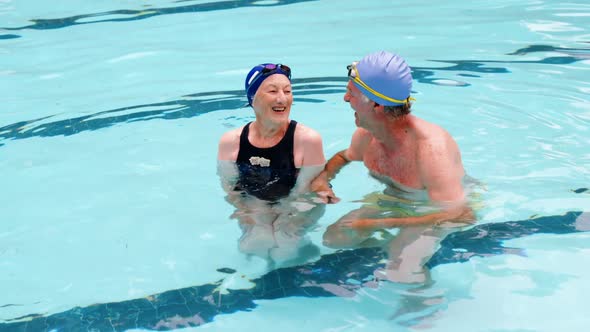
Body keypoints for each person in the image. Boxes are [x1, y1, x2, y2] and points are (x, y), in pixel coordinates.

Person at [310, 51, 476, 282]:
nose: (345, 99)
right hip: (395, 201)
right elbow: (345, 156)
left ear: (376, 105)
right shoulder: (367, 135)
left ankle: (426, 309)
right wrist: (323, 179)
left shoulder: (431, 150)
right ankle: (390, 246)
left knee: (401, 269)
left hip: (434, 210)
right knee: (335, 238)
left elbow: (461, 215)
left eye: (351, 93)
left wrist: (380, 223)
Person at [217, 63, 327, 266]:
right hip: (255, 200)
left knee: (285, 247)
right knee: (254, 244)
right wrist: (251, 217)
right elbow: (231, 189)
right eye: (272, 91)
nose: (282, 98)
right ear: (253, 99)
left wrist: (283, 221)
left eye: (287, 91)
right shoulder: (230, 141)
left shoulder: (307, 140)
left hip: (300, 202)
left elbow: (306, 192)